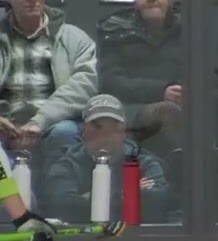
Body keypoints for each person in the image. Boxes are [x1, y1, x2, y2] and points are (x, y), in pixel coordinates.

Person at [0, 0, 98, 161]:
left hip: (53, 124)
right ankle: (8, 193)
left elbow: (85, 85)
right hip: (4, 125)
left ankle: (58, 193)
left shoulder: (74, 39)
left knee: (65, 134)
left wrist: (39, 121)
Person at [96, 0, 183, 155]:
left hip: (180, 109)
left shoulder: (190, 30)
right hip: (128, 108)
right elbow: (110, 83)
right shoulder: (114, 30)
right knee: (167, 111)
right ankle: (180, 174)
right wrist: (161, 90)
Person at [42, 94, 169, 224]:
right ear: (83, 130)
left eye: (113, 128)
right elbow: (64, 206)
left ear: (124, 131)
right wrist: (130, 193)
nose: (105, 136)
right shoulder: (67, 164)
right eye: (97, 128)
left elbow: (157, 200)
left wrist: (90, 198)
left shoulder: (143, 161)